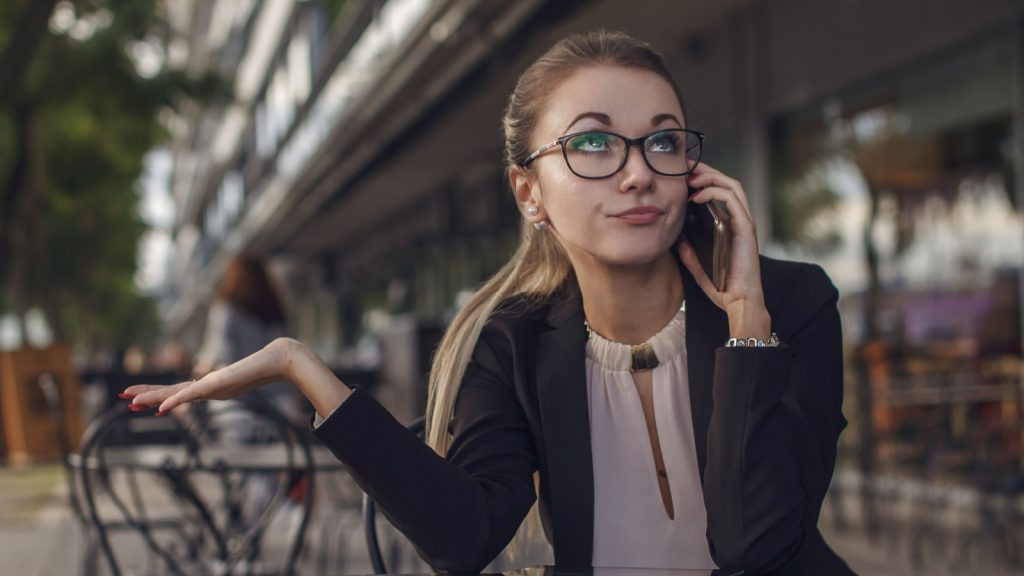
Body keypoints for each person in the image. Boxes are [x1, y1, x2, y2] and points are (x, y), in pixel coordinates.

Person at [122, 31, 852, 574]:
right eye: (593, 143)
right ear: (528, 191)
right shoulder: (519, 340)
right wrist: (301, 368)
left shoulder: (793, 304)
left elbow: (756, 545)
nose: (636, 173)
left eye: (661, 141)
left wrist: (749, 333)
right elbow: (464, 537)